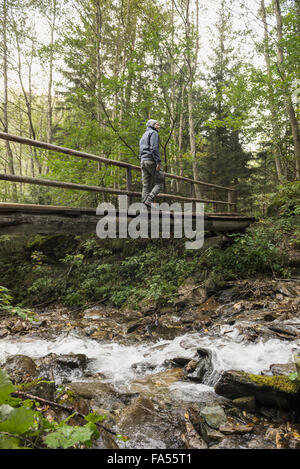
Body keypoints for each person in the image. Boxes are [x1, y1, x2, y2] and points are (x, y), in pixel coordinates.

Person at [139, 119, 165, 207]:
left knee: (145, 185)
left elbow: (141, 149)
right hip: (151, 160)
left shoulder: (143, 135)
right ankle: (149, 200)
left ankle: (144, 205)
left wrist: (142, 159)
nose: (159, 126)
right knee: (160, 183)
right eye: (157, 125)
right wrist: (158, 162)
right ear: (152, 125)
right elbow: (154, 148)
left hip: (143, 161)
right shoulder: (154, 133)